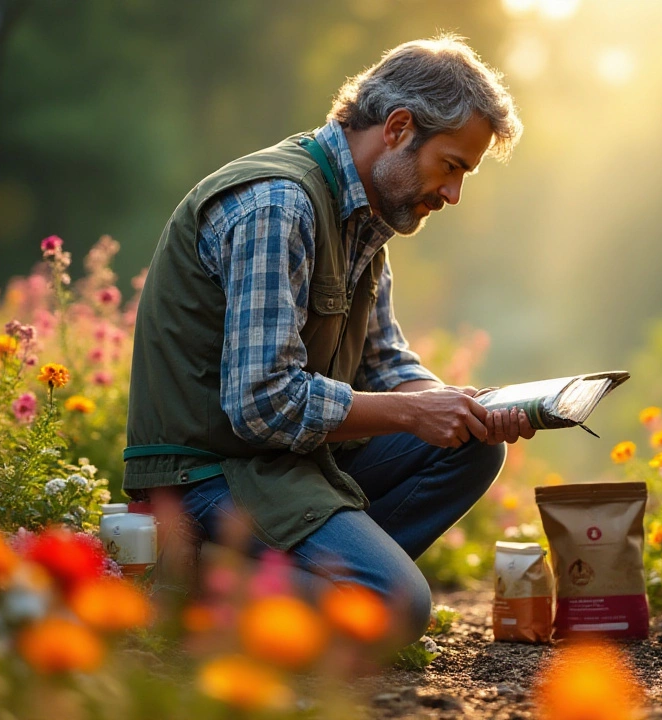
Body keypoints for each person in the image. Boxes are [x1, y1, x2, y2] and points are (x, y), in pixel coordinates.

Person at [123, 35, 529, 646]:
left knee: (472, 449)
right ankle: (185, 575)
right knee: (392, 607)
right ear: (397, 128)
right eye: (451, 166)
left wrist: (459, 408)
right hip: (209, 475)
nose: (453, 195)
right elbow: (263, 403)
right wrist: (414, 413)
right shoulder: (277, 205)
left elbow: (384, 360)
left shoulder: (365, 216)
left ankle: (301, 577)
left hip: (282, 465)